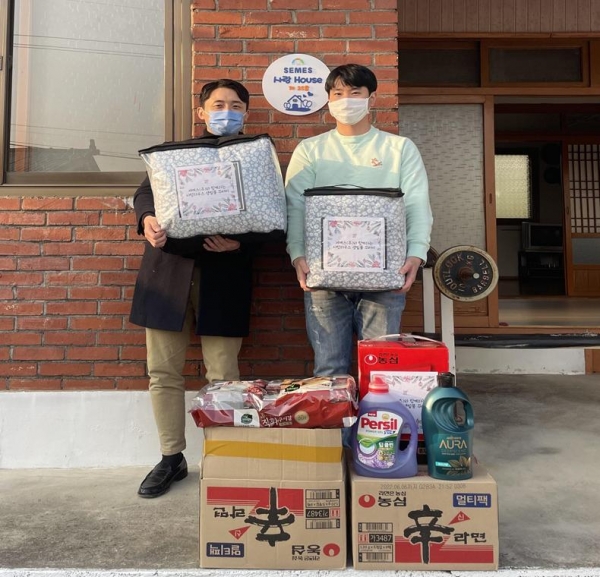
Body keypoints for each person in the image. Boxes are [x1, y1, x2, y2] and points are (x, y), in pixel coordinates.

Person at [130, 79, 268, 498]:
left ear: (246, 113)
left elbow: (274, 217)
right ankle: (171, 457)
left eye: (236, 105)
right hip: (167, 275)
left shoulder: (257, 157)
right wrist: (147, 219)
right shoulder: (175, 154)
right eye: (218, 104)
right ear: (201, 111)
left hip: (225, 277)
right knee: (163, 372)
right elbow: (144, 193)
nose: (227, 111)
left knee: (223, 375)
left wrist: (241, 243)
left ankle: (225, 455)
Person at [285, 64, 433, 377]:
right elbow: (295, 206)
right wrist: (297, 254)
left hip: (385, 277)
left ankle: (377, 413)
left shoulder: (399, 149)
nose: (346, 100)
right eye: (338, 93)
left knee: (380, 370)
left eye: (355, 93)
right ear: (328, 100)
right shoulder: (310, 150)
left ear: (371, 98)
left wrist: (416, 253)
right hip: (323, 276)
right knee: (329, 369)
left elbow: (417, 203)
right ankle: (336, 414)